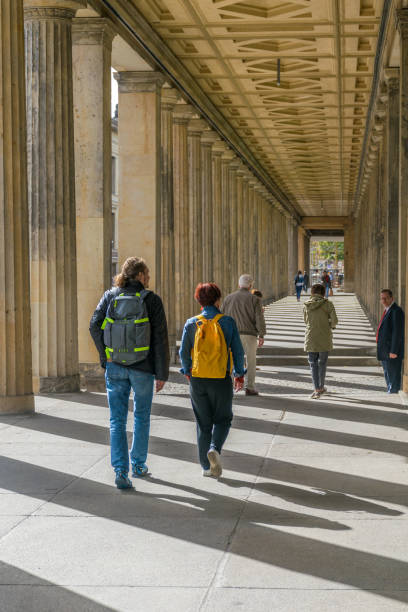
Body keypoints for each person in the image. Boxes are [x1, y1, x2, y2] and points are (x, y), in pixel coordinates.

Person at [90, 257, 169, 489]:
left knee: (116, 420)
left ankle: (120, 470)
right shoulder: (151, 300)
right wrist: (162, 372)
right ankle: (138, 464)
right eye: (148, 274)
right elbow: (160, 338)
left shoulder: (110, 296)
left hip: (116, 366)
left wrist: (106, 357)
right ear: (142, 276)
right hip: (143, 367)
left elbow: (94, 325)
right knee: (141, 416)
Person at [179, 283, 245, 478]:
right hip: (220, 378)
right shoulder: (227, 322)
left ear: (199, 301)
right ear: (218, 300)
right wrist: (239, 374)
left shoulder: (191, 323)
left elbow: (183, 352)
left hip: (198, 379)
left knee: (203, 423)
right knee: (224, 419)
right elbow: (238, 351)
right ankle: (215, 448)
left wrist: (188, 371)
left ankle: (206, 467)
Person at [222, 274, 266, 396]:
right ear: (251, 285)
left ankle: (228, 386)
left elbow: (222, 315)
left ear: (239, 284)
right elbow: (259, 318)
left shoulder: (228, 298)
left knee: (230, 361)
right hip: (249, 335)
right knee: (251, 361)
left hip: (231, 334)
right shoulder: (255, 299)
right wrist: (261, 334)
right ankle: (250, 387)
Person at [303, 283, 338, 399]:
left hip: (311, 338)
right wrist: (329, 326)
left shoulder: (306, 305)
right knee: (322, 364)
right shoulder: (328, 304)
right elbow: (334, 321)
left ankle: (316, 388)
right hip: (324, 338)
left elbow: (306, 321)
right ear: (323, 293)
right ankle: (321, 387)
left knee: (313, 364)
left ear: (312, 293)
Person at [376, 289, 405, 394]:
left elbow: (397, 333)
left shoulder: (396, 311)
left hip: (391, 351)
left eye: (385, 298)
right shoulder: (388, 309)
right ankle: (391, 390)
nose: (383, 301)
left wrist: (393, 351)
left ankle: (393, 392)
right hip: (385, 349)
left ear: (392, 298)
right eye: (381, 298)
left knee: (393, 374)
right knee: (387, 373)